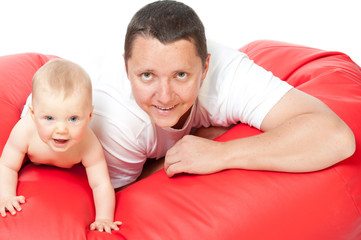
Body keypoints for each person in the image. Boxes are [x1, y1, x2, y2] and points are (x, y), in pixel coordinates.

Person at [89, 0, 355, 190]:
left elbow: (337, 137)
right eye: (147, 76)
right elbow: (119, 196)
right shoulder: (117, 118)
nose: (164, 95)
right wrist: (187, 148)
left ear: (205, 67)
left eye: (181, 75)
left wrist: (222, 153)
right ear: (126, 68)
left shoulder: (227, 74)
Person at [0, 59, 121, 233]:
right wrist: (6, 196)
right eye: (49, 118)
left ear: (89, 115)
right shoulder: (25, 130)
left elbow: (101, 183)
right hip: (34, 121)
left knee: (56, 107)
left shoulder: (88, 144)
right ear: (33, 114)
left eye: (73, 119)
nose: (62, 130)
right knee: (46, 104)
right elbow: (7, 165)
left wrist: (104, 218)